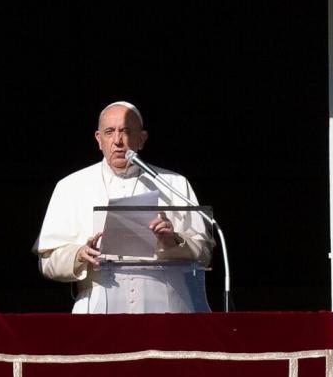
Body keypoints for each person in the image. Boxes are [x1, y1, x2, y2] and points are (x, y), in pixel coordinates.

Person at [32, 101, 214, 313]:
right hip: (99, 308)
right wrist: (79, 255)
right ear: (99, 140)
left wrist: (173, 241)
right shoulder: (70, 186)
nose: (117, 140)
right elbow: (47, 262)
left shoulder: (174, 183)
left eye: (126, 131)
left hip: (167, 308)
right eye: (109, 132)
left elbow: (204, 254)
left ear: (142, 139)